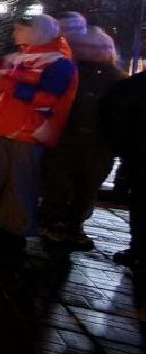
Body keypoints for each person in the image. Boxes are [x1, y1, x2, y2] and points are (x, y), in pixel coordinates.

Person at [0, 15, 77, 253]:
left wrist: (3, 84)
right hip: (2, 127)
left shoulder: (58, 63)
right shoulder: (16, 59)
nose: (14, 34)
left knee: (21, 181)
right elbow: (0, 92)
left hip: (30, 130)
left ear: (38, 32)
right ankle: (0, 226)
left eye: (20, 29)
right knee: (1, 178)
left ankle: (17, 231)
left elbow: (48, 99)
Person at [39, 25, 124, 248]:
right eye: (91, 46)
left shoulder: (118, 80)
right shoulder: (69, 71)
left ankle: (74, 225)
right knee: (59, 184)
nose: (97, 51)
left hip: (99, 143)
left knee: (86, 188)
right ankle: (54, 223)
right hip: (66, 138)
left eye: (102, 47)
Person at [100, 70, 146, 266]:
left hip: (138, 153)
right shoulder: (134, 85)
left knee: (140, 202)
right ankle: (139, 248)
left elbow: (112, 113)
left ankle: (139, 249)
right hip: (137, 153)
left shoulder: (134, 85)